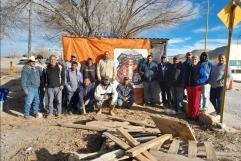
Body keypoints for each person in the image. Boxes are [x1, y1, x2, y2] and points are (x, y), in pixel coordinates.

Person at [209, 54, 232, 119]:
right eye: (220, 58)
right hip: (213, 85)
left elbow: (229, 76)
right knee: (212, 99)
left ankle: (219, 113)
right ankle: (217, 110)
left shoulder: (226, 66)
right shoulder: (215, 66)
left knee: (219, 99)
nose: (221, 59)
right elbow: (212, 74)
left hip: (221, 86)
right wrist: (210, 81)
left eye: (222, 58)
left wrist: (222, 82)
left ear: (225, 59)